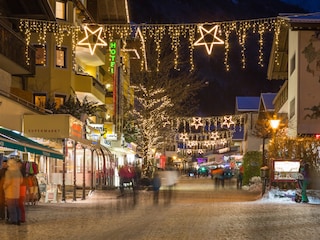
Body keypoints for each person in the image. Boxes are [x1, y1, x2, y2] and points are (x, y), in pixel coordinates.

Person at [3, 158, 23, 225]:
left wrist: (4, 187)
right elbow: (21, 181)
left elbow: (7, 182)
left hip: (10, 192)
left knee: (11, 207)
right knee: (17, 206)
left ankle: (13, 220)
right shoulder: (18, 171)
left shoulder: (9, 172)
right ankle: (18, 219)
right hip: (17, 192)